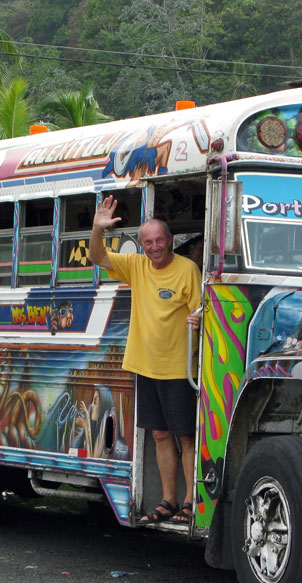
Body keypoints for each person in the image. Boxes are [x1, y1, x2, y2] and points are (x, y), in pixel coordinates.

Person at [88, 196, 202, 524]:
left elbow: (200, 310)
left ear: (170, 242)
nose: (154, 248)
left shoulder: (187, 270)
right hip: (145, 365)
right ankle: (168, 500)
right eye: (148, 242)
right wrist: (97, 228)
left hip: (179, 368)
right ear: (142, 245)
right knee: (160, 435)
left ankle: (190, 502)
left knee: (185, 436)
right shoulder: (136, 266)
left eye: (159, 241)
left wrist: (198, 318)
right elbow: (97, 257)